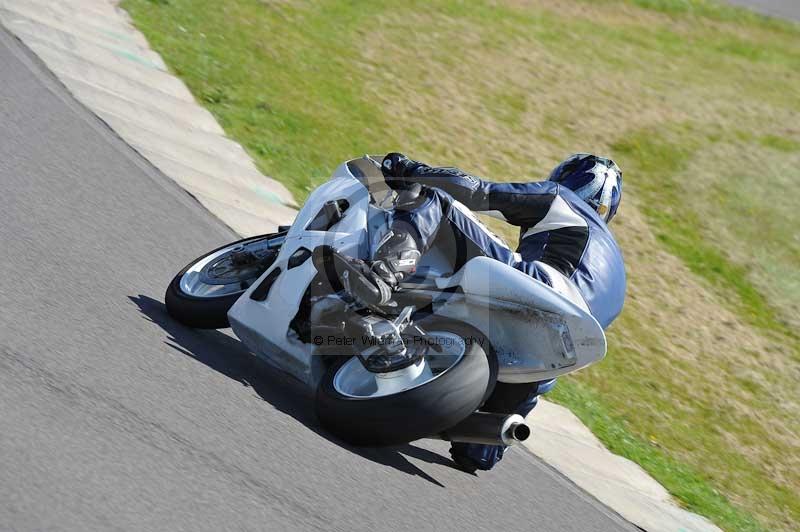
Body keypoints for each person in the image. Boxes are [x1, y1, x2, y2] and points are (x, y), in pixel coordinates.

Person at [327, 152, 626, 472]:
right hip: (544, 358)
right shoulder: (618, 276)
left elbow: (475, 192)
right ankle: (483, 441)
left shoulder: (561, 198)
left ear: (566, 178)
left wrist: (409, 169)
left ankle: (382, 277)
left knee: (433, 200)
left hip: (540, 285)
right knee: (477, 454)